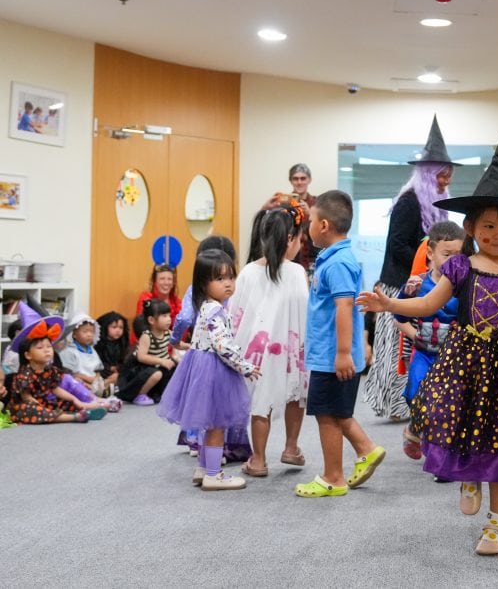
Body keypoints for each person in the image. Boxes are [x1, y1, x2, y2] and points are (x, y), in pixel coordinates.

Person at [358, 132, 498, 556]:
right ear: (471, 227)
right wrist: (389, 303)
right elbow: (429, 304)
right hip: (464, 362)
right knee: (463, 426)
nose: (497, 234)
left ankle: (496, 524)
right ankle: (469, 477)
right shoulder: (461, 265)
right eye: (488, 225)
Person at [366, 116, 458, 422]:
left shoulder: (438, 205)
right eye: (441, 176)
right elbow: (397, 245)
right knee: (395, 347)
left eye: (448, 176)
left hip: (422, 284)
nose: (445, 182)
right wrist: (425, 265)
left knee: (416, 346)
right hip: (399, 285)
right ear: (428, 174)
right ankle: (394, 404)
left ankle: (413, 400)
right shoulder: (409, 202)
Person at [295, 191, 386, 498]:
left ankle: (333, 477)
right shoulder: (335, 258)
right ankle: (366, 449)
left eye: (310, 221)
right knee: (334, 411)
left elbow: (345, 307)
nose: (307, 227)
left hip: (333, 356)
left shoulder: (337, 264)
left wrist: (344, 353)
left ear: (323, 225)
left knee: (327, 414)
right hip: (329, 354)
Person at [158, 249, 260, 491]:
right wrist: (245, 366)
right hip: (215, 371)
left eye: (231, 277)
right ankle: (214, 475)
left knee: (210, 421)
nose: (228, 283)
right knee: (217, 424)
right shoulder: (215, 310)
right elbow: (223, 345)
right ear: (204, 283)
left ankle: (204, 468)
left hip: (202, 368)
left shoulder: (206, 306)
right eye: (220, 278)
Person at [228, 205, 310, 478]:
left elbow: (236, 314)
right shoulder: (296, 272)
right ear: (290, 238)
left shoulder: (248, 272)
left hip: (258, 350)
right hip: (292, 349)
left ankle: (259, 459)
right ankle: (291, 447)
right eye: (300, 239)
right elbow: (305, 311)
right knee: (295, 394)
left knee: (260, 401)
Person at [395, 220, 463, 461]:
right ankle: (415, 428)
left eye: (458, 255)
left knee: (449, 404)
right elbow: (399, 317)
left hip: (454, 356)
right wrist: (406, 297)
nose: (453, 261)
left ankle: (440, 455)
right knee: (416, 394)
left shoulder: (464, 286)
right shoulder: (417, 284)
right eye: (447, 254)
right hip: (424, 353)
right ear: (431, 253)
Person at [6, 303, 107, 424]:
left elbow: (55, 389)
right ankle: (74, 417)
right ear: (28, 355)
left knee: (64, 401)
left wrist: (75, 400)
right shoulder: (25, 374)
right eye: (40, 348)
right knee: (30, 410)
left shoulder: (50, 370)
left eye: (49, 346)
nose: (47, 350)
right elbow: (26, 397)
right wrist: (41, 407)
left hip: (45, 401)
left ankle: (85, 407)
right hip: (30, 404)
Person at [261, 164, 319, 273]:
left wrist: (310, 214)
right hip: (286, 260)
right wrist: (265, 209)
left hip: (312, 260)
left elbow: (323, 232)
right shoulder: (283, 202)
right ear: (290, 181)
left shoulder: (317, 204)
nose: (299, 182)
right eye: (295, 179)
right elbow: (271, 231)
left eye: (303, 178)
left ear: (309, 180)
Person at [118, 299, 175, 405]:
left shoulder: (167, 332)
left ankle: (160, 393)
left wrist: (189, 346)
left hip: (156, 365)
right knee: (157, 374)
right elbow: (141, 357)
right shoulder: (147, 336)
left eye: (169, 315)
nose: (169, 319)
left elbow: (177, 343)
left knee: (174, 368)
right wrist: (161, 361)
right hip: (141, 368)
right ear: (151, 320)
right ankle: (140, 395)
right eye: (164, 316)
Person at [60, 313, 116, 397]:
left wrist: (97, 379)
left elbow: (97, 370)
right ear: (74, 334)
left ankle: (98, 390)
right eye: (85, 331)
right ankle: (94, 391)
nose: (89, 335)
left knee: (112, 378)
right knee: (77, 381)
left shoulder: (92, 351)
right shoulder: (70, 351)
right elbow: (69, 373)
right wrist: (88, 379)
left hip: (93, 380)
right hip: (80, 379)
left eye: (92, 332)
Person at [135, 264, 183, 335]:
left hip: (171, 340)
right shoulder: (146, 299)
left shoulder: (177, 303)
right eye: (162, 279)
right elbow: (141, 327)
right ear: (155, 282)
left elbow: (181, 330)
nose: (166, 283)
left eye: (169, 279)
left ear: (173, 283)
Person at [94, 311, 128, 389]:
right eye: (114, 327)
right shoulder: (97, 343)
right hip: (102, 371)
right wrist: (110, 368)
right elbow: (96, 362)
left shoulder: (123, 343)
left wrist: (118, 368)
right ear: (105, 327)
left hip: (117, 372)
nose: (118, 330)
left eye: (121, 327)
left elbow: (124, 361)